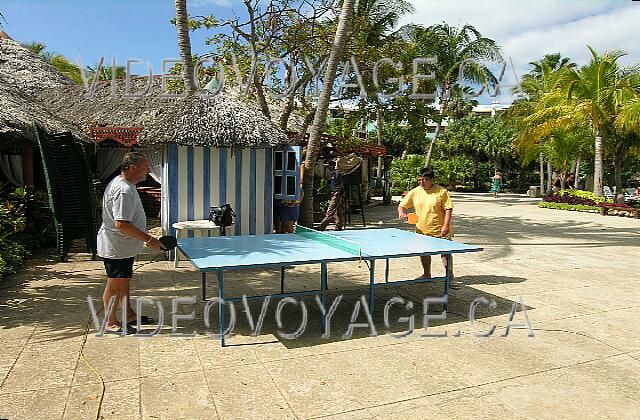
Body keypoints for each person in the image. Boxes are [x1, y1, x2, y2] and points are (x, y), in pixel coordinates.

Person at [97, 152, 164, 334]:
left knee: (123, 281)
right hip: (116, 246)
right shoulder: (123, 190)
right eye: (145, 168)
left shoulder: (127, 184)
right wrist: (150, 240)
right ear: (133, 168)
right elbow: (122, 223)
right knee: (116, 283)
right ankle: (111, 322)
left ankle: (129, 314)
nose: (148, 171)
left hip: (122, 246)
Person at [398, 168, 459, 288]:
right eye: (419, 180)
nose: (421, 182)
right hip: (422, 230)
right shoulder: (415, 191)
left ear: (432, 179)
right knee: (424, 253)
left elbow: (448, 209)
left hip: (440, 230)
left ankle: (450, 278)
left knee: (445, 254)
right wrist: (401, 213)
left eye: (424, 180)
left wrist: (446, 225)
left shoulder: (441, 191)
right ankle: (426, 275)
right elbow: (402, 205)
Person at [317, 160, 344, 231]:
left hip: (336, 194)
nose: (327, 168)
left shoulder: (337, 173)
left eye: (328, 166)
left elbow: (340, 184)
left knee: (330, 211)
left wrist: (336, 193)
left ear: (332, 166)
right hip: (333, 194)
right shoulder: (332, 174)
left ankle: (322, 226)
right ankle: (339, 225)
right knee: (337, 211)